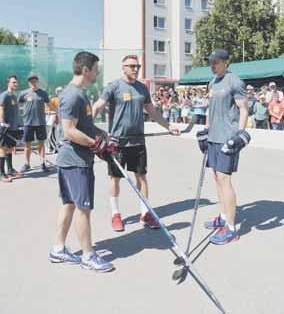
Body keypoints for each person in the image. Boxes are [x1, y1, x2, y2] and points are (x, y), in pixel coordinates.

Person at [92, 54, 179, 232]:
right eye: (131, 66)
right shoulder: (114, 86)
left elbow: (152, 111)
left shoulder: (142, 88)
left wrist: (168, 125)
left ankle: (145, 213)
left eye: (137, 66)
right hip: (117, 143)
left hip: (138, 142)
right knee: (115, 179)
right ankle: (116, 214)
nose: (135, 69)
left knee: (142, 177)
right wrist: (87, 125)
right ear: (123, 67)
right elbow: (98, 106)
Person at [49, 51, 115, 272]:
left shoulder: (80, 94)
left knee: (69, 205)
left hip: (75, 159)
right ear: (86, 70)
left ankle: (58, 249)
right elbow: (68, 131)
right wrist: (95, 145)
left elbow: (81, 126)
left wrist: (100, 133)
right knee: (82, 209)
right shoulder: (72, 95)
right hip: (75, 161)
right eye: (96, 69)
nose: (98, 72)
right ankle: (88, 256)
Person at [198, 49, 249, 245]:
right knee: (217, 178)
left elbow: (244, 109)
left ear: (226, 62)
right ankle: (223, 215)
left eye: (216, 61)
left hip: (228, 138)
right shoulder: (212, 82)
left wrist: (240, 135)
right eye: (211, 61)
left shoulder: (234, 81)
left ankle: (231, 228)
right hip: (213, 137)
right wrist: (206, 129)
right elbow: (212, 109)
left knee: (225, 180)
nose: (213, 64)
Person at [18, 74, 55, 172]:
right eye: (31, 81)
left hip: (40, 123)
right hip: (28, 123)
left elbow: (49, 104)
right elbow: (18, 105)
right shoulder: (23, 93)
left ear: (37, 82)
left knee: (41, 144)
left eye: (34, 81)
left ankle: (43, 163)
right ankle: (26, 164)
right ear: (28, 83)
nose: (33, 83)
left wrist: (57, 114)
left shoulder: (43, 93)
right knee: (27, 144)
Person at [0, 75, 23, 182]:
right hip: (5, 127)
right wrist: (1, 122)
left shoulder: (14, 96)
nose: (16, 84)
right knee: (2, 149)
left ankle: (10, 170)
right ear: (8, 83)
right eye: (13, 82)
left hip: (13, 127)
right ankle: (1, 173)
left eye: (16, 82)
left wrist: (18, 124)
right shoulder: (4, 95)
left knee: (9, 148)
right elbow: (1, 108)